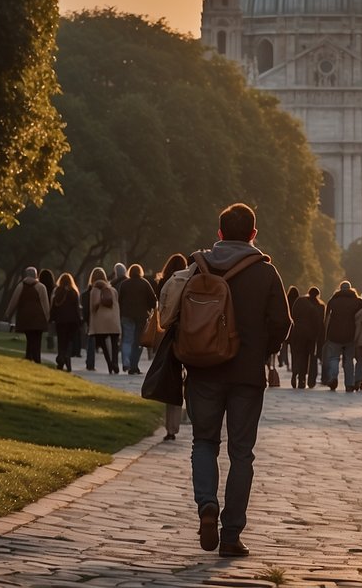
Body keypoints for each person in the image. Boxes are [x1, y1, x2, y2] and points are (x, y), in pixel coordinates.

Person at [184, 203, 290, 558]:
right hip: (246, 374)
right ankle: (231, 534)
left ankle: (206, 505)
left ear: (219, 234)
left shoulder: (197, 265)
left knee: (203, 442)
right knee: (241, 454)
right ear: (253, 235)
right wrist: (263, 350)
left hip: (203, 369)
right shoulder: (265, 272)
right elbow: (281, 323)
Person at [156, 253, 189, 440]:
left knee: (170, 380)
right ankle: (181, 420)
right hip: (188, 334)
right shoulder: (188, 281)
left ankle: (170, 428)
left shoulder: (165, 282)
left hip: (168, 334)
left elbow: (161, 309)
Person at [323, 281, 362, 391]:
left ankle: (333, 378)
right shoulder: (357, 301)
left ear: (340, 289)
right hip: (351, 335)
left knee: (334, 358)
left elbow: (327, 318)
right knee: (349, 360)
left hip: (334, 334)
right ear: (350, 288)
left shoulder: (333, 301)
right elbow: (360, 318)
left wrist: (325, 335)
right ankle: (349, 384)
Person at [5, 267, 51, 364]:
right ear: (36, 275)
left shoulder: (20, 286)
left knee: (29, 338)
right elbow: (45, 303)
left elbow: (14, 300)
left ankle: (29, 356)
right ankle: (36, 358)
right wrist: (47, 317)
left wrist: (8, 312)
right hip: (38, 318)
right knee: (37, 339)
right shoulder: (41, 287)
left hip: (24, 318)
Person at [118, 263, 156, 375]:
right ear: (140, 272)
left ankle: (126, 362)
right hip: (141, 316)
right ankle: (134, 365)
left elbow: (119, 300)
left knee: (127, 339)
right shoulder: (145, 283)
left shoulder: (124, 284)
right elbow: (153, 301)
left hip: (126, 315)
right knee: (138, 341)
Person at [87, 267, 122, 374]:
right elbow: (116, 306)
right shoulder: (113, 290)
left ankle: (110, 364)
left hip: (101, 322)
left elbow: (93, 307)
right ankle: (115, 362)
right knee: (114, 344)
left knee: (103, 344)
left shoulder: (94, 290)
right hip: (113, 321)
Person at [289, 287, 325, 389]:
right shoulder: (320, 306)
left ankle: (296, 372)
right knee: (310, 357)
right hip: (311, 335)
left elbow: (293, 314)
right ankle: (305, 379)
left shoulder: (300, 301)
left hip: (298, 332)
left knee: (299, 354)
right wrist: (319, 337)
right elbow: (319, 323)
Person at [51, 272, 83, 372]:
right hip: (72, 322)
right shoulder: (74, 292)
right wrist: (79, 321)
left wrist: (51, 318)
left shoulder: (57, 291)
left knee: (61, 341)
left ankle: (61, 359)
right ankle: (67, 362)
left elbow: (54, 307)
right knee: (68, 342)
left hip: (60, 321)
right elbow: (77, 308)